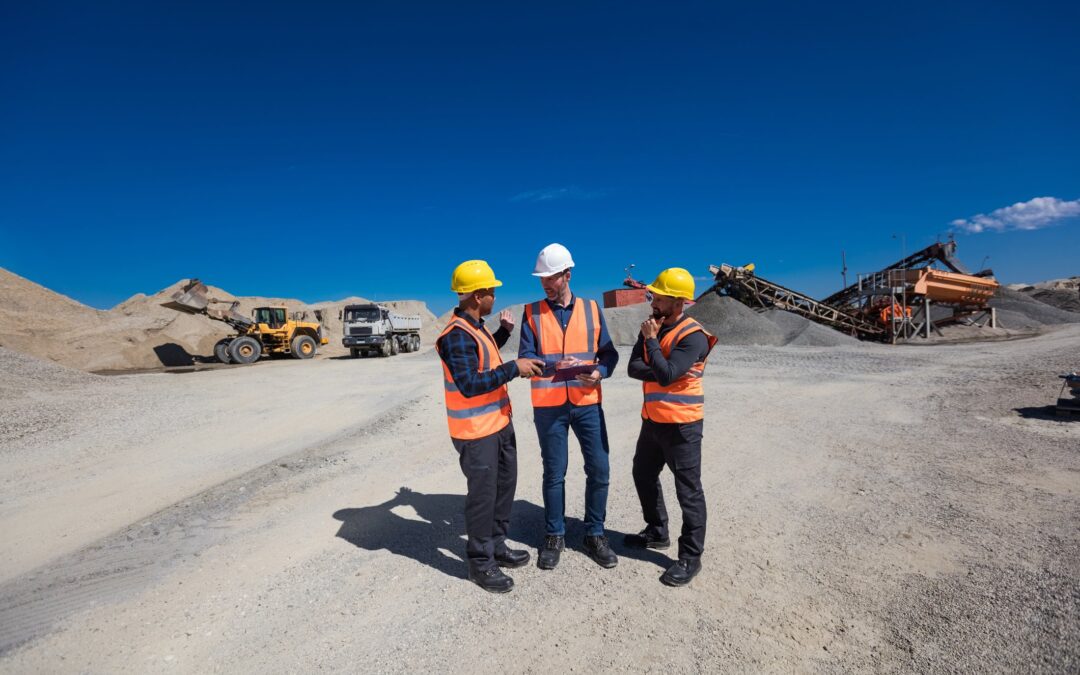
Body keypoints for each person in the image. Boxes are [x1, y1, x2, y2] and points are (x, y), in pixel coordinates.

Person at [436, 260, 545, 593]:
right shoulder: (455, 335)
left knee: (503, 488)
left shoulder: (477, 327)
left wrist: (504, 334)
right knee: (483, 497)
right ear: (476, 295)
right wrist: (515, 368)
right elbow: (469, 382)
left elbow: (483, 356)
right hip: (475, 432)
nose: (495, 296)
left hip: (498, 425)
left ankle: (497, 545)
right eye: (491, 291)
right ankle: (480, 563)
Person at [518, 243, 620, 570]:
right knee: (554, 472)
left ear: (567, 274)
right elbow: (526, 359)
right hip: (549, 407)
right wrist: (554, 366)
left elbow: (609, 355)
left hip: (587, 403)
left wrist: (598, 371)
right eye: (541, 278)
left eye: (551, 276)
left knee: (600, 469)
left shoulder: (592, 309)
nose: (545, 283)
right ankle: (554, 535)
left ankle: (594, 533)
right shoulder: (531, 313)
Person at [625, 267, 717, 587]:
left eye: (659, 296)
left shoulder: (693, 336)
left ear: (678, 302)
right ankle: (657, 531)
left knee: (688, 491)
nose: (653, 300)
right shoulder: (652, 326)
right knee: (642, 474)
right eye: (653, 294)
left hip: (682, 426)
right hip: (652, 421)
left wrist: (652, 345)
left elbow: (667, 374)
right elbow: (633, 368)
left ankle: (690, 557)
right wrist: (656, 358)